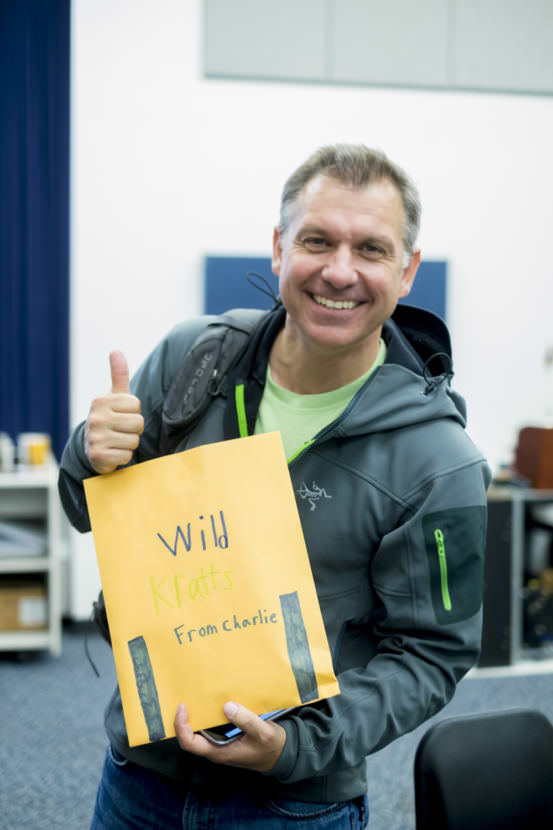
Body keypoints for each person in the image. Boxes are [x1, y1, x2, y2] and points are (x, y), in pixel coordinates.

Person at [59, 143, 490, 829]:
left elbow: (432, 656)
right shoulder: (190, 358)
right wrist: (86, 453)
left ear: (406, 271)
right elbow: (84, 510)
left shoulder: (439, 461)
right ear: (278, 248)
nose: (338, 271)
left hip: (294, 803)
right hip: (140, 779)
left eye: (371, 249)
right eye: (316, 241)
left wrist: (295, 746)